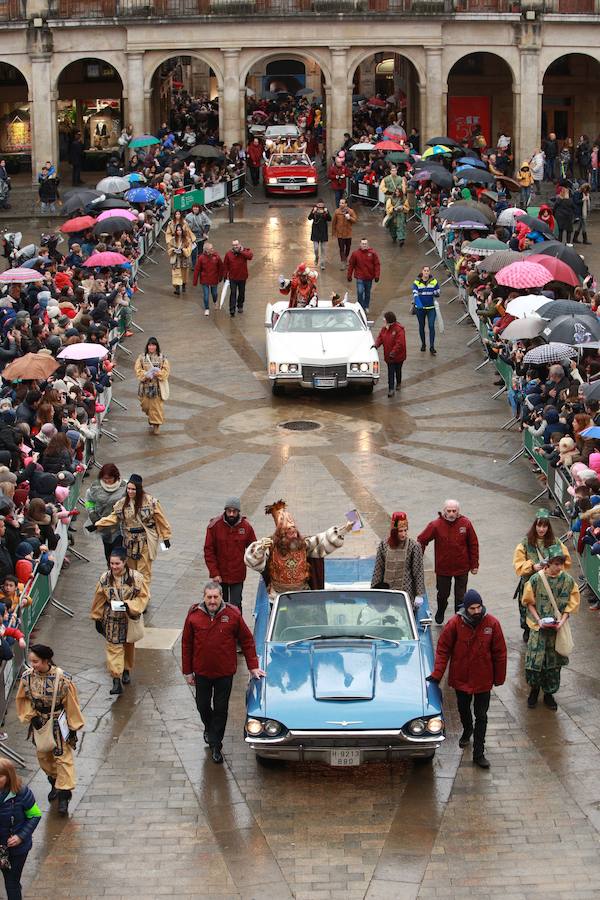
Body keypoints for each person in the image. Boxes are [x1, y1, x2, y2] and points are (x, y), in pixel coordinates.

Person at [181, 581, 265, 764]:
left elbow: (247, 640)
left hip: (224, 673)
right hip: (202, 672)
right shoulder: (193, 616)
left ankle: (216, 744)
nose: (212, 601)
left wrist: (253, 666)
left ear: (221, 597)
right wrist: (187, 671)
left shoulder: (233, 615)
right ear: (204, 597)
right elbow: (186, 644)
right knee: (202, 705)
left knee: (221, 709)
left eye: (215, 597)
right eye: (209, 597)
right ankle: (209, 728)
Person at [427, 589, 507, 769]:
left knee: (482, 716)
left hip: (483, 680)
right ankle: (467, 729)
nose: (477, 611)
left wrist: (499, 678)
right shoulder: (454, 624)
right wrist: (437, 674)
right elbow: (443, 650)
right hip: (461, 678)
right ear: (466, 608)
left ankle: (479, 753)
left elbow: (500, 652)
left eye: (479, 607)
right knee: (463, 709)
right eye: (473, 608)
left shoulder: (492, 624)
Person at [16, 644, 85, 816]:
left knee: (63, 759)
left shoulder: (63, 679)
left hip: (58, 725)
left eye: (36, 661)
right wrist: (32, 716)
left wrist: (73, 727)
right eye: (31, 661)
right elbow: (22, 700)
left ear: (46, 660)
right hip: (40, 725)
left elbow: (71, 703)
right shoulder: (26, 678)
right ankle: (55, 781)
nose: (33, 665)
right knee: (44, 758)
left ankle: (64, 796)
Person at [245, 500, 353, 597]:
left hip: (302, 595)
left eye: (294, 529)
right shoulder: (271, 546)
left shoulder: (304, 544)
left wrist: (344, 530)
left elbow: (322, 540)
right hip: (277, 597)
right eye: (288, 530)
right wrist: (260, 548)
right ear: (281, 533)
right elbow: (252, 562)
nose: (293, 532)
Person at [521, 546, 579, 710]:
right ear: (548, 563)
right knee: (534, 662)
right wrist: (538, 620)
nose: (559, 567)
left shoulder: (567, 581)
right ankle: (534, 691)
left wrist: (563, 621)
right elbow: (528, 602)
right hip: (538, 628)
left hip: (556, 630)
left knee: (553, 665)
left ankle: (549, 694)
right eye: (556, 563)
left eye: (561, 563)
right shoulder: (535, 580)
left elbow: (571, 603)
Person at [94, 473, 171, 589]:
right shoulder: (122, 503)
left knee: (143, 572)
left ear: (138, 489)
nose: (130, 491)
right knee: (131, 571)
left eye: (133, 489)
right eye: (128, 489)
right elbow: (114, 517)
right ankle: (134, 594)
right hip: (129, 542)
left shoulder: (151, 502)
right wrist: (98, 524)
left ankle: (143, 597)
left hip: (144, 541)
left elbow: (161, 520)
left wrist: (166, 537)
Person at [90, 546, 149, 695]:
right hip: (111, 618)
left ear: (124, 562)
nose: (114, 567)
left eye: (117, 563)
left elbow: (144, 597)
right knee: (113, 647)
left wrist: (130, 606)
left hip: (129, 618)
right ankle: (116, 680)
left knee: (128, 646)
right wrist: (97, 617)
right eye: (112, 563)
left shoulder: (137, 578)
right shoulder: (104, 578)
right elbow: (98, 598)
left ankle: (126, 669)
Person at [512, 509, 571, 643]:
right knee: (527, 608)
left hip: (549, 585)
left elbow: (566, 561)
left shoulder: (555, 542)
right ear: (535, 526)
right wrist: (532, 567)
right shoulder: (526, 543)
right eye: (539, 525)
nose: (541, 529)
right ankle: (527, 630)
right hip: (530, 584)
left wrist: (554, 568)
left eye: (544, 526)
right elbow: (518, 564)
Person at [418, 499, 479, 624]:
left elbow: (473, 544)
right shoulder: (435, 525)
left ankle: (459, 618)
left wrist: (474, 565)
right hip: (443, 568)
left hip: (462, 567)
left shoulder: (465, 523)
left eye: (454, 511)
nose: (451, 513)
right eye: (449, 511)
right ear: (444, 511)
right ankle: (441, 610)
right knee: (442, 594)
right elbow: (422, 540)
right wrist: (418, 559)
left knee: (461, 596)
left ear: (458, 512)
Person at [203, 498, 257, 611]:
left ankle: (237, 627)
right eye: (229, 511)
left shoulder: (246, 527)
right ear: (225, 510)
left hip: (237, 575)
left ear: (238, 512)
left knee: (236, 605)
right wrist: (214, 573)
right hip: (220, 575)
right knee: (220, 604)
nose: (231, 514)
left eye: (234, 511)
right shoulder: (214, 526)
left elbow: (253, 548)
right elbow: (209, 551)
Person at [0, 757, 41, 900]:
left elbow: (35, 815)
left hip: (15, 850)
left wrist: (20, 836)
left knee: (12, 883)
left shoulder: (22, 793)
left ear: (9, 776)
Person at [370, 511, 425, 608]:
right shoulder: (384, 545)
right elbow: (379, 569)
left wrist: (419, 594)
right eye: (400, 531)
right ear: (394, 531)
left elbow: (418, 571)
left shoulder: (414, 546)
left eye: (405, 530)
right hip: (387, 593)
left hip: (406, 593)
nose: (403, 534)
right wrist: (374, 591)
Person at [84, 463, 127, 563]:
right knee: (108, 550)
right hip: (103, 526)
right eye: (104, 478)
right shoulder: (95, 487)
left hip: (119, 526)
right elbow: (89, 501)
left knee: (117, 552)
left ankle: (118, 570)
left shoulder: (124, 487)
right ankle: (110, 568)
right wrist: (92, 513)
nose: (107, 481)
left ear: (116, 477)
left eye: (110, 478)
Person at [134, 336, 170, 434]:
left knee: (156, 406)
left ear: (156, 346)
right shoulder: (142, 357)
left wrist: (158, 374)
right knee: (145, 405)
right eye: (150, 345)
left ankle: (156, 425)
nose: (151, 347)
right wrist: (145, 375)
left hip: (157, 386)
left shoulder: (162, 358)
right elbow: (138, 370)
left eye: (153, 345)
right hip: (145, 385)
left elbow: (166, 371)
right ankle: (150, 416)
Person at [374, 310, 406, 397]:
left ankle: (398, 382)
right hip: (389, 357)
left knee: (398, 370)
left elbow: (400, 343)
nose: (383, 321)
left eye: (384, 319)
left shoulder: (399, 330)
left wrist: (393, 352)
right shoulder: (384, 329)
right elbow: (380, 338)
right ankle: (391, 389)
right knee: (390, 372)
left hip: (398, 356)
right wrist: (376, 345)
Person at [412, 265, 440, 355]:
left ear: (429, 272)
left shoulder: (434, 281)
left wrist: (436, 293)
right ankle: (423, 344)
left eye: (428, 271)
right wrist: (419, 304)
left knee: (431, 326)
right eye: (425, 270)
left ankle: (432, 346)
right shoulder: (416, 282)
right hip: (420, 309)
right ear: (422, 271)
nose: (426, 272)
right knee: (421, 326)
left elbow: (438, 292)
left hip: (431, 308)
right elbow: (415, 294)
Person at [347, 238, 381, 312]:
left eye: (365, 244)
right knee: (360, 292)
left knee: (367, 292)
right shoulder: (355, 254)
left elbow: (377, 265)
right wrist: (349, 275)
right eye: (363, 243)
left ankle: (366, 306)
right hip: (360, 277)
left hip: (369, 277)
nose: (364, 245)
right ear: (360, 244)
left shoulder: (373, 253)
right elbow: (351, 265)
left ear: (367, 244)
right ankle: (360, 307)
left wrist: (377, 276)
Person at [223, 240, 253, 318]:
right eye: (233, 245)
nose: (235, 246)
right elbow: (225, 265)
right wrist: (225, 276)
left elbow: (250, 256)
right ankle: (232, 309)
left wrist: (241, 251)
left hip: (242, 277)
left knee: (241, 293)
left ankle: (240, 305)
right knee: (233, 293)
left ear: (239, 245)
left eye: (236, 245)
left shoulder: (245, 251)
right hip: (232, 277)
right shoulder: (228, 254)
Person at [192, 243, 224, 317]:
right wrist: (195, 281)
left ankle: (215, 301)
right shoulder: (201, 258)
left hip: (214, 279)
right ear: (206, 250)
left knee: (214, 293)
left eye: (212, 248)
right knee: (206, 296)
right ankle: (207, 308)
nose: (212, 249)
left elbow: (221, 267)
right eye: (211, 249)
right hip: (205, 280)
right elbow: (197, 269)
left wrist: (220, 277)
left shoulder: (216, 257)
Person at [167, 222, 193, 296]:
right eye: (177, 230)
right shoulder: (172, 240)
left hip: (184, 258)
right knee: (176, 274)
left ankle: (184, 284)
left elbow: (189, 249)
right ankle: (177, 288)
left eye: (180, 230)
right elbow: (169, 249)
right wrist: (173, 249)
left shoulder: (187, 239)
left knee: (184, 274)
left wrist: (183, 250)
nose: (179, 232)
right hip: (176, 259)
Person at [331, 198, 357, 270]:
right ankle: (343, 262)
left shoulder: (351, 211)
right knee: (341, 248)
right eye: (340, 203)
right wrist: (333, 232)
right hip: (340, 234)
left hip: (348, 233)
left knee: (348, 248)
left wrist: (349, 218)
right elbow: (333, 223)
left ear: (346, 204)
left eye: (342, 203)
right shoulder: (337, 212)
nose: (341, 204)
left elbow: (355, 220)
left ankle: (346, 258)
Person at [184, 203, 211, 267]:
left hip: (201, 236)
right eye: (194, 207)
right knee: (193, 251)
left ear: (199, 208)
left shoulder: (203, 215)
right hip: (192, 237)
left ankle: (200, 264)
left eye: (196, 207)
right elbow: (185, 227)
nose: (195, 208)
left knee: (200, 251)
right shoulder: (188, 216)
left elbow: (208, 224)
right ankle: (194, 265)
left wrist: (205, 233)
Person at [308, 200, 331, 271]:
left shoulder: (325, 210)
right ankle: (317, 257)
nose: (320, 206)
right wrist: (313, 212)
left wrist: (327, 213)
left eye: (321, 205)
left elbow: (329, 219)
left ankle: (322, 263)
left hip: (323, 232)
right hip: (315, 232)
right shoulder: (314, 210)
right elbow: (309, 218)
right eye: (319, 205)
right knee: (316, 248)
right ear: (317, 205)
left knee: (323, 249)